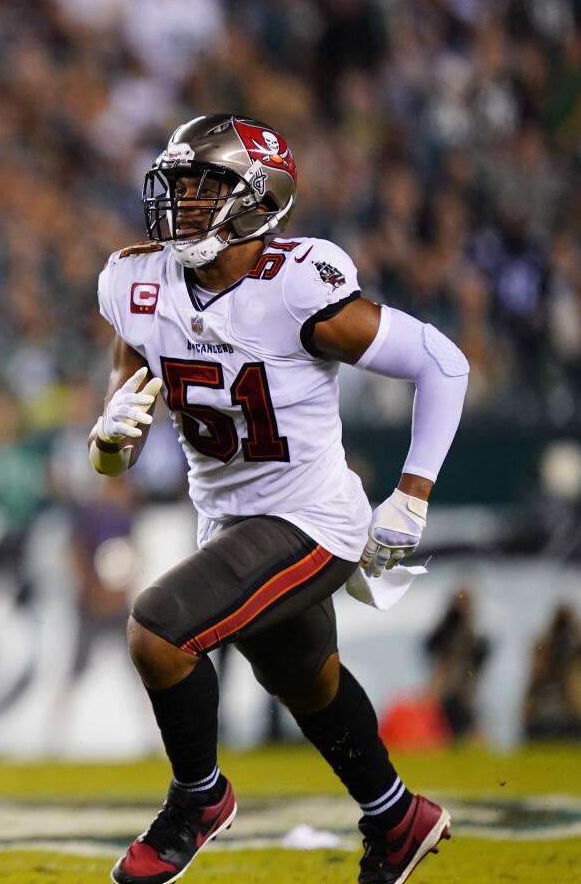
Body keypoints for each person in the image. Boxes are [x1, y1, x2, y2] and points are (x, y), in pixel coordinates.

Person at [92, 115, 467, 884]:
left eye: (203, 190)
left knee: (158, 631)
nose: (181, 207)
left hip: (312, 519)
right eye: (177, 189)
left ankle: (197, 799)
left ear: (258, 200)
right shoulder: (135, 283)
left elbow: (443, 361)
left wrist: (413, 494)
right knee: (306, 678)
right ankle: (398, 818)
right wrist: (108, 438)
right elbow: (118, 450)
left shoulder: (297, 285)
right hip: (229, 519)